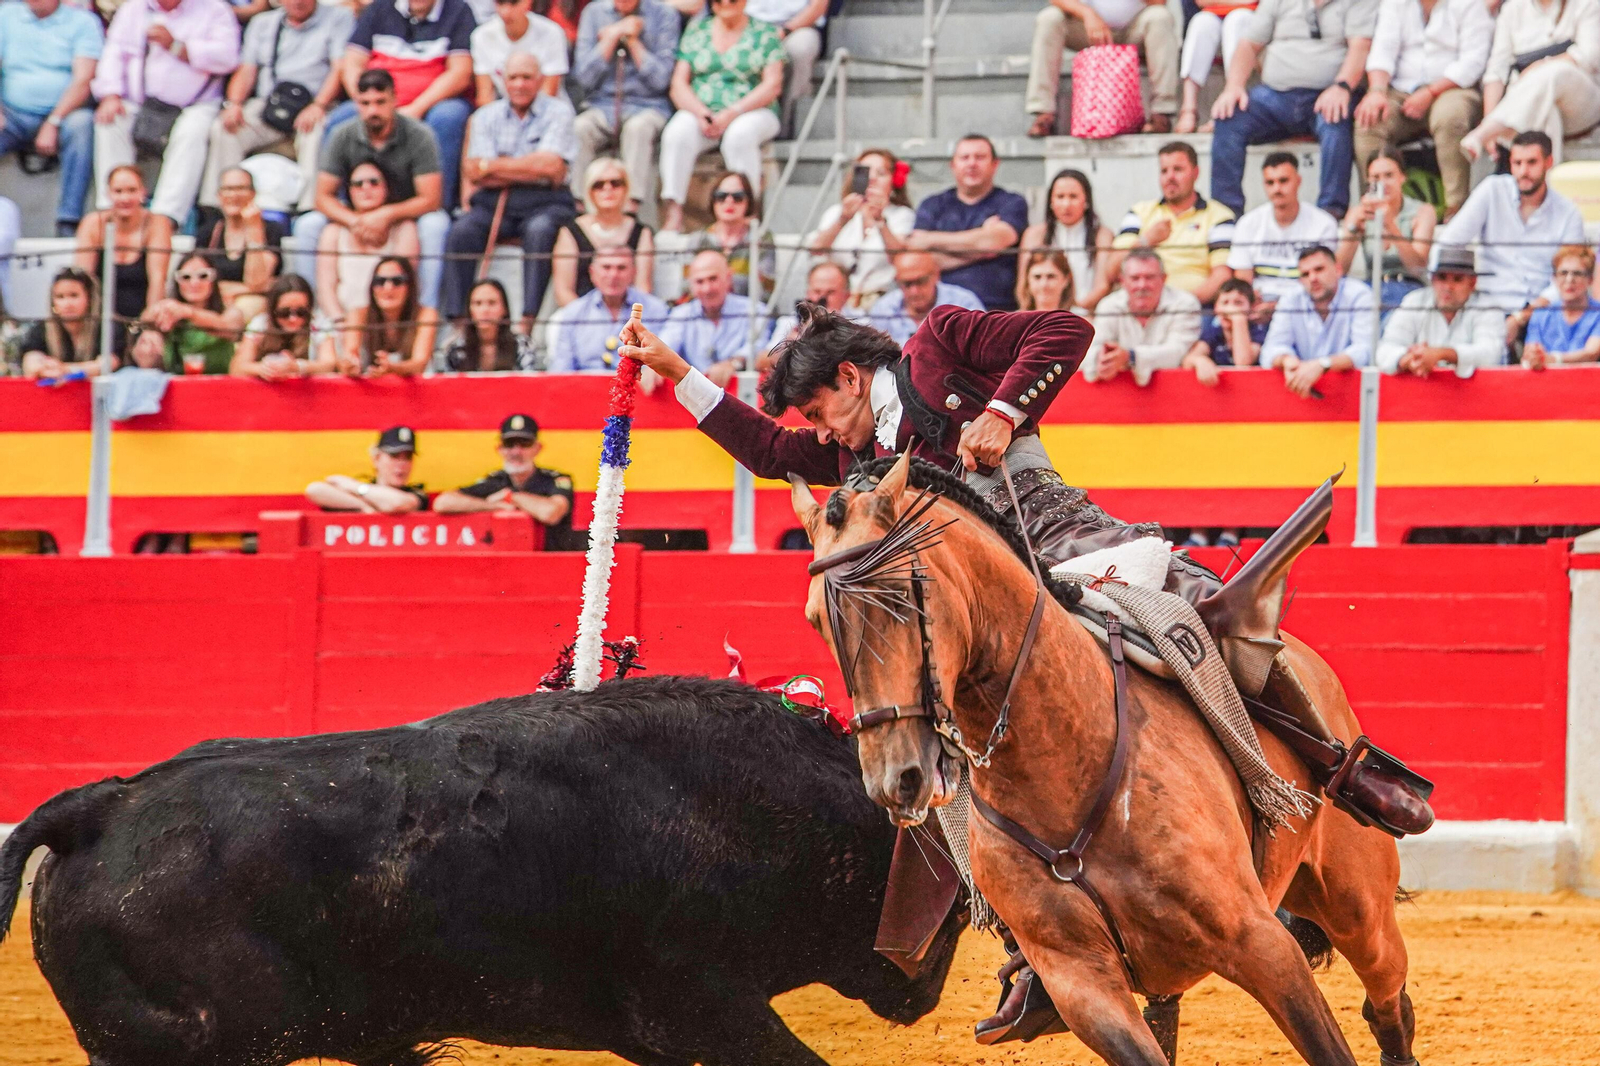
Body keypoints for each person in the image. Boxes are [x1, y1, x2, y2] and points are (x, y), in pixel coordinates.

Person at [615, 289, 1431, 1049]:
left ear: (852, 377)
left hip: (1068, 547)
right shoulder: (864, 464)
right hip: (987, 615)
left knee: (1211, 613)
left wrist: (1005, 411)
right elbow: (765, 450)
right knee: (942, 748)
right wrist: (675, 372)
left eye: (820, 410)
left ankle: (1340, 768)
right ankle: (1037, 945)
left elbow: (1065, 331)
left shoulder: (939, 345)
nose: (819, 432)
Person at [293, 69, 450, 311]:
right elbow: (322, 197)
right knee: (307, 226)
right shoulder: (342, 135)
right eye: (365, 103)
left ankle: (424, 309)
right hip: (356, 213)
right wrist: (356, 221)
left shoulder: (419, 135)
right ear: (356, 103)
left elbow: (431, 199)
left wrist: (386, 215)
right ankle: (312, 313)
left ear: (394, 100)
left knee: (435, 225)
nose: (372, 111)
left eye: (380, 102)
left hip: (405, 214)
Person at [1209, 0, 1380, 221]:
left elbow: (1360, 47)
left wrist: (1342, 87)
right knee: (1229, 116)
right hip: (1275, 95)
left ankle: (1331, 212)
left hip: (1327, 95)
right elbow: (1249, 44)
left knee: (1336, 119)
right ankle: (1226, 213)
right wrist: (1233, 87)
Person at [444, 51, 578, 325]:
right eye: (513, 77)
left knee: (540, 231)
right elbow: (473, 170)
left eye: (527, 77)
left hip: (546, 200)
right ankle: (459, 324)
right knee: (461, 232)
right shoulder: (485, 116)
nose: (519, 84)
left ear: (540, 80)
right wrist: (530, 167)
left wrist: (493, 167)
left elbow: (552, 168)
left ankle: (528, 321)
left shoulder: (559, 111)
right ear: (502, 80)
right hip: (494, 202)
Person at [90, 0, 242, 227]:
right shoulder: (134, 9)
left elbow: (228, 57)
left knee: (192, 132)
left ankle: (166, 219)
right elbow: (113, 54)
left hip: (195, 104)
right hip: (141, 104)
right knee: (109, 120)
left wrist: (178, 47)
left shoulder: (214, 9)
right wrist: (110, 94)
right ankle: (112, 211)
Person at [201, 0, 353, 218]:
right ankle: (217, 209)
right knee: (223, 128)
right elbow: (247, 70)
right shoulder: (263, 23)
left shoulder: (338, 18)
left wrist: (319, 105)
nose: (298, 2)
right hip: (269, 104)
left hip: (315, 103)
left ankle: (307, 211)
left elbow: (340, 68)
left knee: (316, 131)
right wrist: (234, 103)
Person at [332, 0, 476, 212]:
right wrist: (368, 103)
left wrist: (416, 108)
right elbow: (352, 63)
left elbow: (460, 73)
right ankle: (341, 204)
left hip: (431, 103)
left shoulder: (458, 11)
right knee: (338, 120)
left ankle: (437, 206)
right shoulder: (379, 8)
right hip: (379, 98)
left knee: (449, 117)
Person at [1440, 131, 1585, 339]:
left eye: (1531, 162)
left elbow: (1573, 275)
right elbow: (1447, 244)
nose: (1523, 171)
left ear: (1549, 162)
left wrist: (1521, 317)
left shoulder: (1568, 212)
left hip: (1543, 311)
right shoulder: (1492, 190)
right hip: (1488, 305)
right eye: (1517, 163)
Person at [1353, 0, 1491, 219]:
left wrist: (1430, 93)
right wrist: (1377, 91)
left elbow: (1472, 62)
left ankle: (1455, 210)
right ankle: (1374, 208)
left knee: (1450, 117)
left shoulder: (1470, 4)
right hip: (1400, 90)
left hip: (1453, 88)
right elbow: (1382, 51)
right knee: (1369, 120)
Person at [658, 0, 784, 233]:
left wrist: (733, 112)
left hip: (752, 110)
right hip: (703, 110)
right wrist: (699, 112)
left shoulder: (765, 32)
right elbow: (678, 84)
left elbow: (773, 85)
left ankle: (748, 213)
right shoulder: (697, 30)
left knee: (739, 136)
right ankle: (674, 212)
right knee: (677, 132)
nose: (725, 3)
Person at [0, 0, 103, 237]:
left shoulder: (83, 22)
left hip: (64, 114)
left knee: (83, 125)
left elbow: (84, 80)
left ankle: (68, 222)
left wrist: (54, 121)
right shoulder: (6, 15)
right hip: (12, 113)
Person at [570, 0, 679, 210]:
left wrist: (634, 42)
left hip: (648, 105)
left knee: (638, 129)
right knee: (579, 128)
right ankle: (579, 208)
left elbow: (661, 81)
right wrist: (610, 39)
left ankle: (630, 210)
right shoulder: (593, 13)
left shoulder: (664, 15)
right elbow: (583, 78)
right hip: (600, 105)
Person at [1461, 0, 1600, 163]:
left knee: (1556, 72)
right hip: (1528, 105)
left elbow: (1590, 55)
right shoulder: (1512, 9)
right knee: (1546, 108)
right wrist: (1489, 116)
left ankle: (1484, 133)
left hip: (1582, 102)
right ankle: (1548, 183)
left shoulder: (1587, 4)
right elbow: (1496, 71)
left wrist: (1539, 66)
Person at [907, 135, 1030, 311]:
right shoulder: (932, 205)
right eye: (965, 158)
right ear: (953, 165)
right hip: (942, 311)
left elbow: (994, 241)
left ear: (995, 164)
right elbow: (920, 261)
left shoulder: (1012, 202)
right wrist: (982, 249)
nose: (972, 163)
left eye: (980, 157)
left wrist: (930, 239)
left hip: (999, 309)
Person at [1025, 0, 1180, 136]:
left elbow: (1159, 3)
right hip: (1087, 28)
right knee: (1049, 19)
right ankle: (1044, 114)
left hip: (1133, 28)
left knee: (1160, 17)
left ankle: (1161, 112)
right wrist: (1087, 14)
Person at [1112, 141, 1235, 305]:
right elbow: (1111, 270)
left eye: (1178, 169)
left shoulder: (1219, 216)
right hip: (1138, 307)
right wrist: (1146, 241)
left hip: (1194, 307)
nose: (1170, 177)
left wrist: (1181, 306)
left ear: (1195, 173)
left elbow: (1222, 276)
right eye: (1164, 171)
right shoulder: (1139, 212)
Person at [805, 147, 917, 310]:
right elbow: (815, 250)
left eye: (880, 173)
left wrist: (880, 221)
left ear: (893, 181)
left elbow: (899, 259)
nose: (872, 179)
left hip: (884, 303)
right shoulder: (836, 212)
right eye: (865, 172)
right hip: (839, 304)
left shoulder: (902, 215)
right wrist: (843, 219)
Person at [433, 413, 575, 541]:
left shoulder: (555, 480)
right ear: (500, 449)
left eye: (524, 444)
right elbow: (443, 503)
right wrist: (493, 506)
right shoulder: (496, 480)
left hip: (550, 563)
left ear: (537, 448)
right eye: (509, 444)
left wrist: (510, 497)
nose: (516, 451)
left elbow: (550, 513)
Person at [314, 162, 421, 329]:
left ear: (387, 188)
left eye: (374, 182)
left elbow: (404, 288)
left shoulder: (404, 230)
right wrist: (340, 322)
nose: (366, 188)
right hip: (342, 323)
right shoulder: (333, 233)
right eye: (358, 184)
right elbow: (325, 289)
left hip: (386, 327)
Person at [1260, 244, 1375, 397]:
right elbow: (1270, 350)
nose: (1313, 278)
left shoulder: (1359, 295)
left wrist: (1323, 365)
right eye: (1305, 274)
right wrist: (1287, 360)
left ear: (1338, 270)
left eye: (1319, 269)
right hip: (1301, 396)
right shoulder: (1291, 299)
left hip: (1352, 396)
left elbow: (1365, 351)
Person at [1228, 152, 1340, 308]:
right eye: (1270, 182)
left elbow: (1324, 282)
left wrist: (1277, 307)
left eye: (1283, 181)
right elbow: (1243, 282)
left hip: (1305, 307)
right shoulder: (1248, 224)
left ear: (1298, 181)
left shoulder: (1323, 224)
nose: (1277, 188)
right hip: (1258, 307)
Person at [1375, 245, 1506, 374]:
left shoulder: (1488, 307)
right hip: (1420, 391)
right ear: (1432, 280)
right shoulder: (1415, 301)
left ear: (1472, 283)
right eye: (1442, 278)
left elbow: (1490, 355)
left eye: (1457, 279)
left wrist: (1441, 354)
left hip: (1474, 394)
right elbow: (1384, 350)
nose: (1448, 287)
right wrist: (1407, 359)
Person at [1336, 146, 1437, 312]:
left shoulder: (1422, 212)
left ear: (1402, 177)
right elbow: (1340, 270)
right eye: (1375, 177)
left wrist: (1390, 225)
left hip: (1408, 288)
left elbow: (1418, 268)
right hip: (1370, 288)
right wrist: (1353, 230)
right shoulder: (1360, 212)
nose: (1382, 183)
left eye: (1389, 175)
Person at [1084, 247, 1202, 384]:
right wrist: (1102, 358)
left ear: (1164, 279)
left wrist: (1131, 357)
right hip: (1116, 397)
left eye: (1149, 277)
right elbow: (1089, 353)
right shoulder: (1109, 305)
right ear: (1122, 281)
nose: (1142, 285)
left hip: (1176, 392)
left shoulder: (1185, 304)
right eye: (1135, 278)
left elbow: (1178, 353)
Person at [551, 157, 657, 307]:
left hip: (628, 317)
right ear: (589, 191)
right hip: (581, 318)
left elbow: (643, 288)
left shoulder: (642, 232)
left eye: (616, 183)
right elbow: (563, 291)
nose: (608, 189)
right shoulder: (569, 232)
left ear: (626, 188)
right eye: (599, 185)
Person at [75, 166, 174, 322]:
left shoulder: (157, 224)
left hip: (142, 315)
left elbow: (158, 280)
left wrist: (149, 325)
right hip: (98, 318)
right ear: (108, 194)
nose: (125, 198)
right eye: (118, 191)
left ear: (143, 192)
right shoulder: (93, 223)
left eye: (132, 190)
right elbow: (83, 280)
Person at [547, 247, 671, 371]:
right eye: (606, 267)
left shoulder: (656, 310)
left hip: (639, 387)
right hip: (584, 387)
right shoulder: (573, 312)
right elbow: (562, 369)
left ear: (634, 272)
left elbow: (665, 363)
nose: (613, 275)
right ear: (592, 272)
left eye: (621, 268)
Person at [658, 249, 766, 384]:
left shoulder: (754, 311)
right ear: (690, 284)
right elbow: (665, 347)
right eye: (699, 282)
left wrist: (732, 364)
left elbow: (759, 347)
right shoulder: (680, 315)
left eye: (713, 279)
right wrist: (654, 367)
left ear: (728, 278)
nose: (707, 289)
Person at [1017, 168, 1115, 313]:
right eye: (1060, 197)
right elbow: (1023, 285)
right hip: (1041, 313)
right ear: (1051, 201)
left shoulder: (1102, 235)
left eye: (1073, 197)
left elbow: (1102, 285)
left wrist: (1074, 310)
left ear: (1086, 200)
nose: (1066, 204)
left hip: (1087, 313)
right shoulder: (1034, 234)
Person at [200, 168, 284, 318]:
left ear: (253, 194)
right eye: (228, 189)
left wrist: (254, 231)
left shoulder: (271, 230)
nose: (234, 195)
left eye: (241, 188)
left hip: (253, 305)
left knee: (246, 305)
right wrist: (242, 288)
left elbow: (257, 282)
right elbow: (198, 278)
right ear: (219, 195)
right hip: (212, 300)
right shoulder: (208, 232)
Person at [146, 250, 247, 374]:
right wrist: (150, 330)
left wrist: (188, 312)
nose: (194, 283)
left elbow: (229, 327)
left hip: (220, 386)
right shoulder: (170, 310)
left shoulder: (230, 312)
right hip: (177, 385)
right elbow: (144, 320)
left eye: (203, 276)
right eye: (186, 277)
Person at [339, 255, 439, 376]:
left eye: (397, 281)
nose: (388, 288)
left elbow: (419, 364)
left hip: (413, 391)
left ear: (410, 286)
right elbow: (350, 354)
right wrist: (350, 366)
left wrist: (392, 368)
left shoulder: (425, 314)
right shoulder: (358, 314)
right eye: (380, 281)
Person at [19, 268, 128, 380]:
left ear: (89, 299)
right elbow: (30, 360)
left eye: (74, 295)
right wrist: (43, 369)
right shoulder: (42, 328)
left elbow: (109, 363)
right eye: (60, 297)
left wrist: (65, 370)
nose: (67, 304)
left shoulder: (108, 327)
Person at [683, 170, 776, 298]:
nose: (729, 201)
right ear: (713, 201)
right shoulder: (698, 240)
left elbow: (766, 289)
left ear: (748, 202)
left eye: (737, 197)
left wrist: (716, 282)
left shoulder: (761, 238)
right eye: (721, 196)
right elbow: (687, 287)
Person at [231, 273, 339, 379]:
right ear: (273, 310)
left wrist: (297, 367)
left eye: (301, 312)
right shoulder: (261, 324)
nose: (293, 319)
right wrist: (263, 369)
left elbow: (329, 364)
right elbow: (237, 367)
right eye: (284, 313)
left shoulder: (319, 324)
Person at [866, 250, 985, 346]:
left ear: (936, 275)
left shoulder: (963, 303)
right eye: (907, 284)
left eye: (921, 281)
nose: (915, 291)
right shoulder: (883, 308)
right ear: (897, 281)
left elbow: (982, 346)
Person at [1175, 0, 1257, 134]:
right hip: (1214, 12)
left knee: (1236, 21)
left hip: (1254, 16)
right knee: (1201, 22)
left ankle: (1228, 108)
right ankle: (1189, 109)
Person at [305, 425, 428, 513]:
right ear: (376, 459)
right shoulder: (362, 493)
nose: (401, 464)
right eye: (394, 456)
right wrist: (363, 506)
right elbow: (314, 490)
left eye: (407, 457)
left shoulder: (416, 494)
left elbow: (396, 503)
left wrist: (356, 488)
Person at [745, 0, 825, 132]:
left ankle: (788, 128)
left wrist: (785, 30)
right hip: (747, 26)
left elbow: (817, 7)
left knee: (800, 49)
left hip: (797, 27)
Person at [472, 0, 568, 104]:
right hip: (504, 113)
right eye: (500, 3)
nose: (506, 12)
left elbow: (549, 92)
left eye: (514, 3)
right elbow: (485, 94)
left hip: (550, 112)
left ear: (528, 2)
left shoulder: (552, 32)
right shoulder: (481, 36)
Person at [761, 260, 853, 365]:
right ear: (807, 293)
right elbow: (762, 361)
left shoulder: (861, 322)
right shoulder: (791, 322)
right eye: (817, 291)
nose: (822, 299)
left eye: (830, 292)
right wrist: (789, 346)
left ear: (847, 295)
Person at [1523, 245, 1600, 367]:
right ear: (1554, 278)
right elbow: (1530, 352)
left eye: (1577, 273)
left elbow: (1591, 353)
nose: (1569, 280)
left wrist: (1555, 359)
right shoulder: (1541, 314)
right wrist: (1534, 357)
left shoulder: (1597, 313)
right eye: (1563, 273)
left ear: (1590, 280)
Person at [441, 277, 541, 370]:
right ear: (469, 310)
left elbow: (529, 384)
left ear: (504, 309)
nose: (485, 310)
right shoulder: (457, 349)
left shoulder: (522, 345)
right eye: (478, 303)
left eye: (492, 303)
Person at [1182, 276, 1265, 385]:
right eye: (1225, 303)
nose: (1230, 309)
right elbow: (1188, 361)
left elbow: (1243, 363)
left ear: (1251, 308)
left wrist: (1238, 321)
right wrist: (1199, 361)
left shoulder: (1258, 331)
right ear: (1216, 308)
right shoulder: (1214, 332)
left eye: (1238, 303)